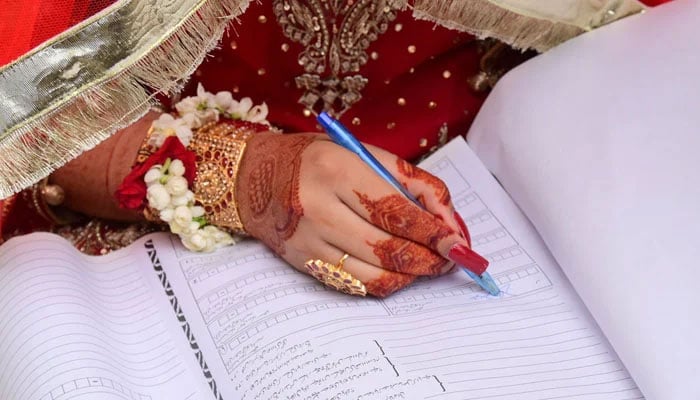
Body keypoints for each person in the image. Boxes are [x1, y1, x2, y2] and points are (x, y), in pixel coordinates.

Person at [0, 0, 669, 297]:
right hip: (149, 254)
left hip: (512, 219)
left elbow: (659, 68)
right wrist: (245, 175)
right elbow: (24, 123)